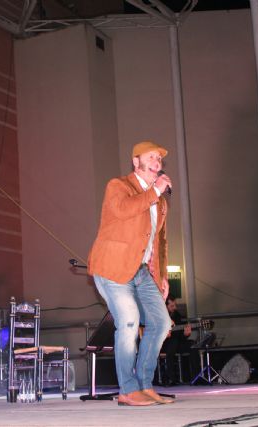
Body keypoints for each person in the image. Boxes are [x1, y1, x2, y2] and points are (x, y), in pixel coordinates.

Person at [88, 141, 174, 407]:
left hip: (141, 272)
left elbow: (160, 243)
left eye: (160, 160)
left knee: (161, 323)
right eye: (151, 158)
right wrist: (155, 191)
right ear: (136, 162)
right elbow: (122, 210)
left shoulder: (159, 203)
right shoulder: (119, 186)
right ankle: (127, 389)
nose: (157, 163)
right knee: (129, 321)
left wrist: (161, 275)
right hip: (113, 267)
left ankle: (144, 385)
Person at [161, 294, 194, 385]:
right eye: (172, 306)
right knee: (173, 343)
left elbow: (180, 336)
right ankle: (170, 378)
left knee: (192, 344)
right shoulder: (160, 316)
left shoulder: (177, 315)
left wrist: (185, 334)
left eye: (175, 305)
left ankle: (196, 377)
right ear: (165, 306)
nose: (175, 307)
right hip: (163, 345)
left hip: (176, 343)